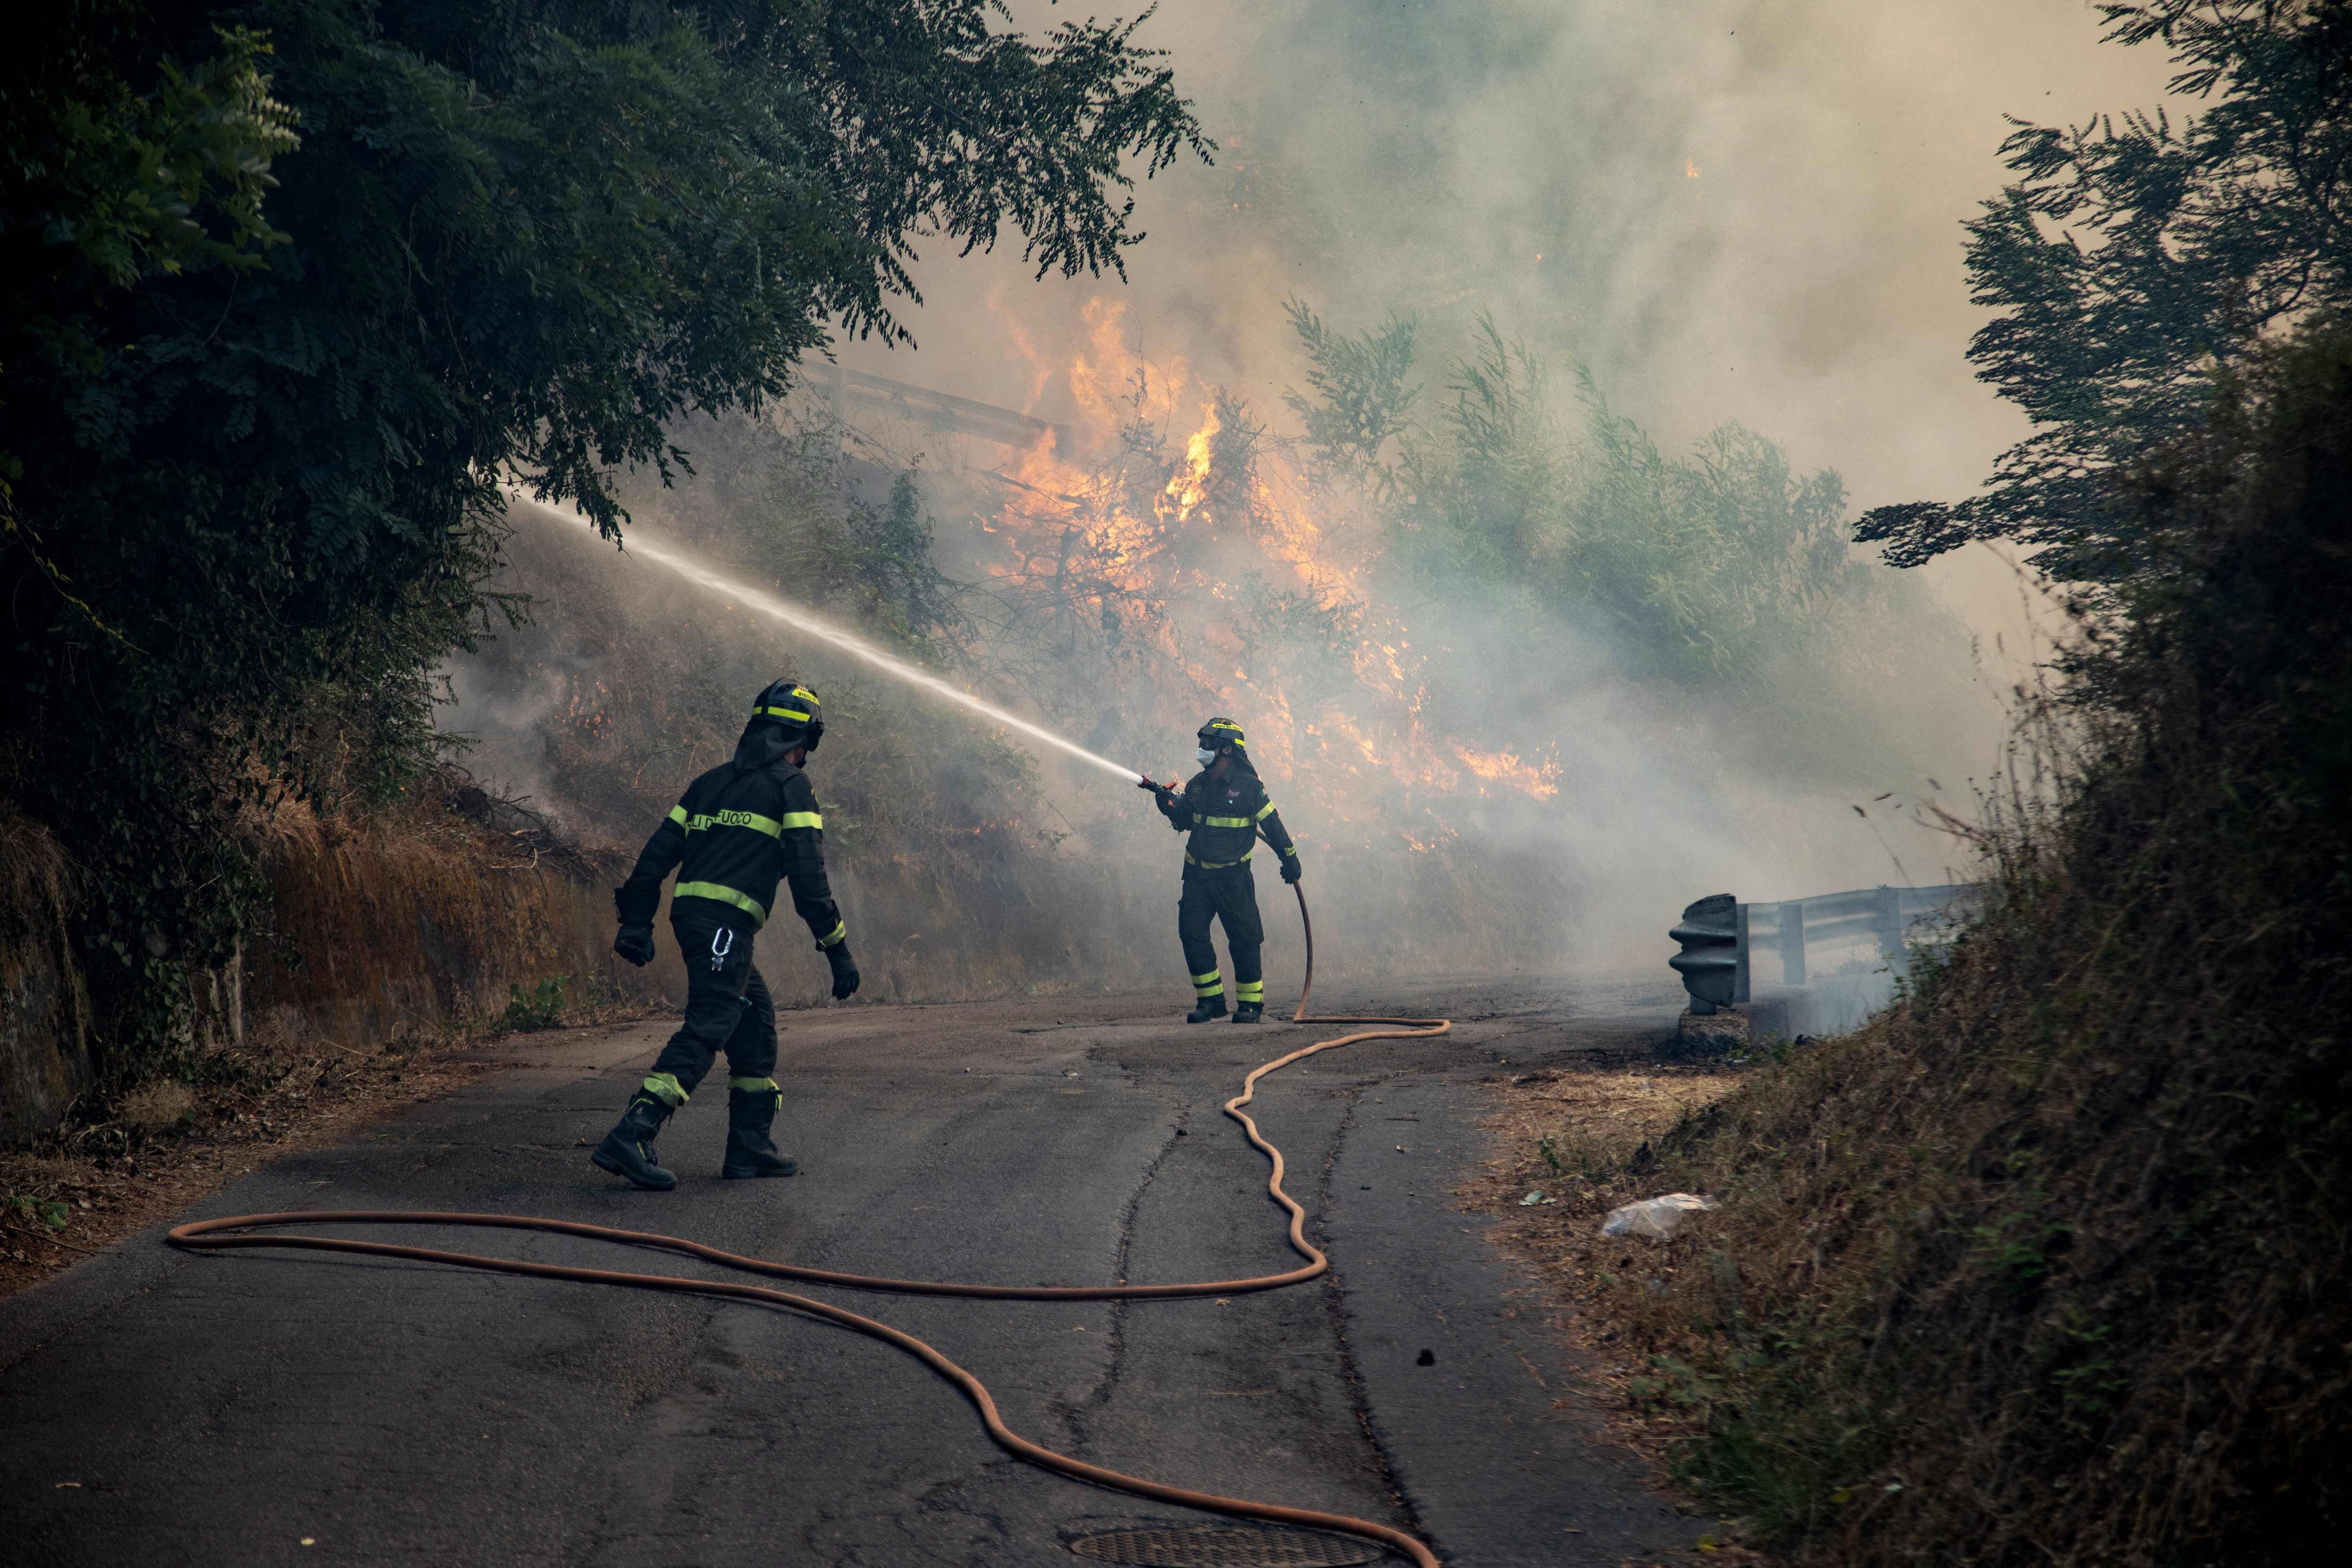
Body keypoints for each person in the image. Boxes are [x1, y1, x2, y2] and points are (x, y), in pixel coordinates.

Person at [592, 680, 860, 1190]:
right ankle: (633, 1131)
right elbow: (809, 880)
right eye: (807, 742)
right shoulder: (790, 788)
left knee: (754, 1023)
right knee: (712, 1019)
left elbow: (655, 856)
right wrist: (838, 950)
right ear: (796, 737)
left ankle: (749, 1147)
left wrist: (636, 920)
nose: (806, 754)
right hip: (723, 927)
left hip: (699, 921)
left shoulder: (708, 785)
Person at [1141, 717, 1302, 1023]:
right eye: (1202, 742)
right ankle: (1211, 1001)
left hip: (1234, 879)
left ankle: (1250, 1004)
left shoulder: (1250, 787)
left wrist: (1290, 860)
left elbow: (1273, 826)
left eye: (1209, 743)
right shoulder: (1198, 785)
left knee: (1244, 939)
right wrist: (1168, 807)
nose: (1203, 748)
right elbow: (1186, 821)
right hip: (1198, 877)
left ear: (1227, 749)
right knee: (1192, 933)